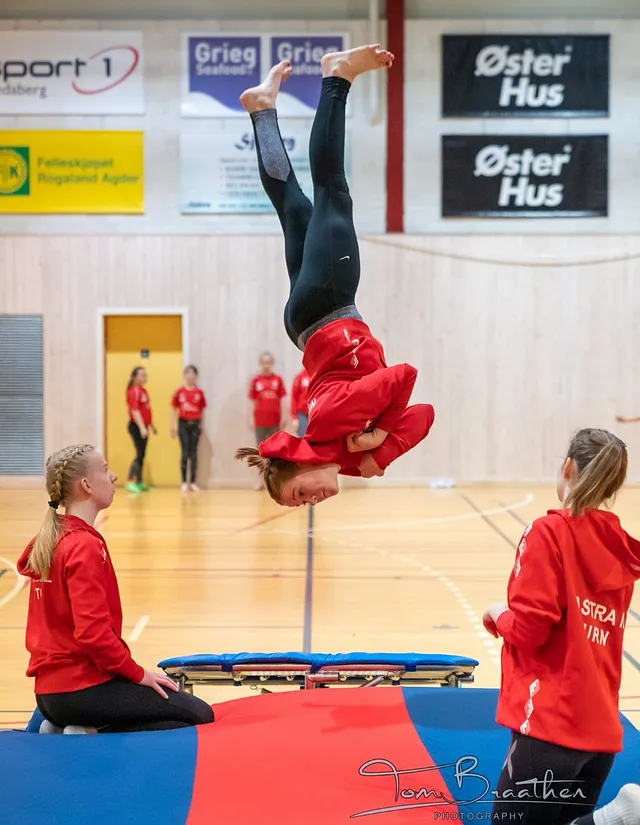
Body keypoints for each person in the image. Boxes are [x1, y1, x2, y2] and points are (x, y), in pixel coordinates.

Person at [235, 46, 434, 506]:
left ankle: (336, 78)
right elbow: (425, 414)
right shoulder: (343, 456)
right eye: (301, 503)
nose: (311, 502)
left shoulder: (332, 425)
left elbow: (404, 376)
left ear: (302, 463)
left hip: (330, 303)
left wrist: (381, 435)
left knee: (331, 189)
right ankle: (262, 110)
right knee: (294, 206)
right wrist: (383, 451)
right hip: (307, 327)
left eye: (299, 493)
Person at [483, 428, 640, 825]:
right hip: (599, 730)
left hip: (551, 725)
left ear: (568, 467)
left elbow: (531, 631)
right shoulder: (619, 545)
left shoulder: (547, 532)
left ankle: (611, 821)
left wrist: (498, 613)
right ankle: (607, 820)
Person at [17, 444, 215, 733]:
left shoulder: (52, 538)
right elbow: (93, 635)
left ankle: (64, 727)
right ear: (86, 484)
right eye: (106, 469)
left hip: (49, 694)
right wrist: (138, 674)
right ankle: (91, 731)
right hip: (81, 689)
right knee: (198, 714)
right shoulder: (83, 546)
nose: (115, 476)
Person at [171, 365, 207, 492]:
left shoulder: (199, 393)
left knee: (194, 453)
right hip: (183, 424)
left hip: (195, 424)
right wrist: (173, 426)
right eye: (188, 373)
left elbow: (202, 410)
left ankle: (192, 482)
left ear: (196, 376)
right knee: (185, 452)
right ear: (185, 375)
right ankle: (183, 482)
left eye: (193, 374)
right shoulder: (179, 392)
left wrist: (203, 425)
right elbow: (174, 409)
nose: (190, 376)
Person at [125, 366, 156, 493]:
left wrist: (151, 426)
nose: (144, 377)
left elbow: (147, 410)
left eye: (145, 375)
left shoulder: (143, 391)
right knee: (139, 454)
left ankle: (139, 481)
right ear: (135, 377)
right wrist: (142, 427)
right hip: (136, 426)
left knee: (142, 454)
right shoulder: (134, 391)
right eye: (142, 375)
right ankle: (131, 481)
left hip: (144, 426)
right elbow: (135, 410)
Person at [291, 366, 311, 437]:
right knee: (303, 437)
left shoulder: (319, 375)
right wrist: (294, 418)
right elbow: (294, 397)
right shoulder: (300, 376)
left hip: (315, 413)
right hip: (302, 414)